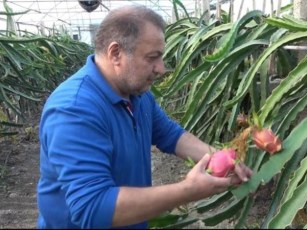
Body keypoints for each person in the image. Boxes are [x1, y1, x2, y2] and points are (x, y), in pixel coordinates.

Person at [37, 4, 252, 229]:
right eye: (152, 57)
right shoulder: (74, 109)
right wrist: (188, 190)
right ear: (116, 53)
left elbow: (169, 134)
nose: (161, 68)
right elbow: (93, 208)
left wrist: (222, 159)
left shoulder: (136, 94)